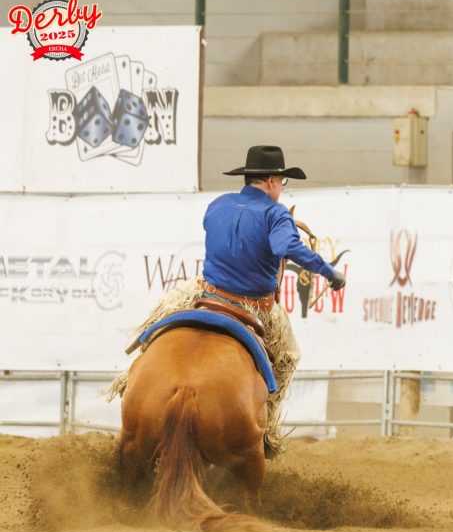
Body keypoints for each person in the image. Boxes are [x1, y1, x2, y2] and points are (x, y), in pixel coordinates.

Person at [107, 145, 344, 457]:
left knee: (156, 323)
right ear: (272, 181)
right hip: (255, 305)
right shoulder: (276, 214)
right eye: (282, 182)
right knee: (288, 355)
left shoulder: (217, 205)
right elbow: (285, 247)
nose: (281, 189)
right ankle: (267, 426)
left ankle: (128, 381)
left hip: (205, 292)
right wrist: (328, 272)